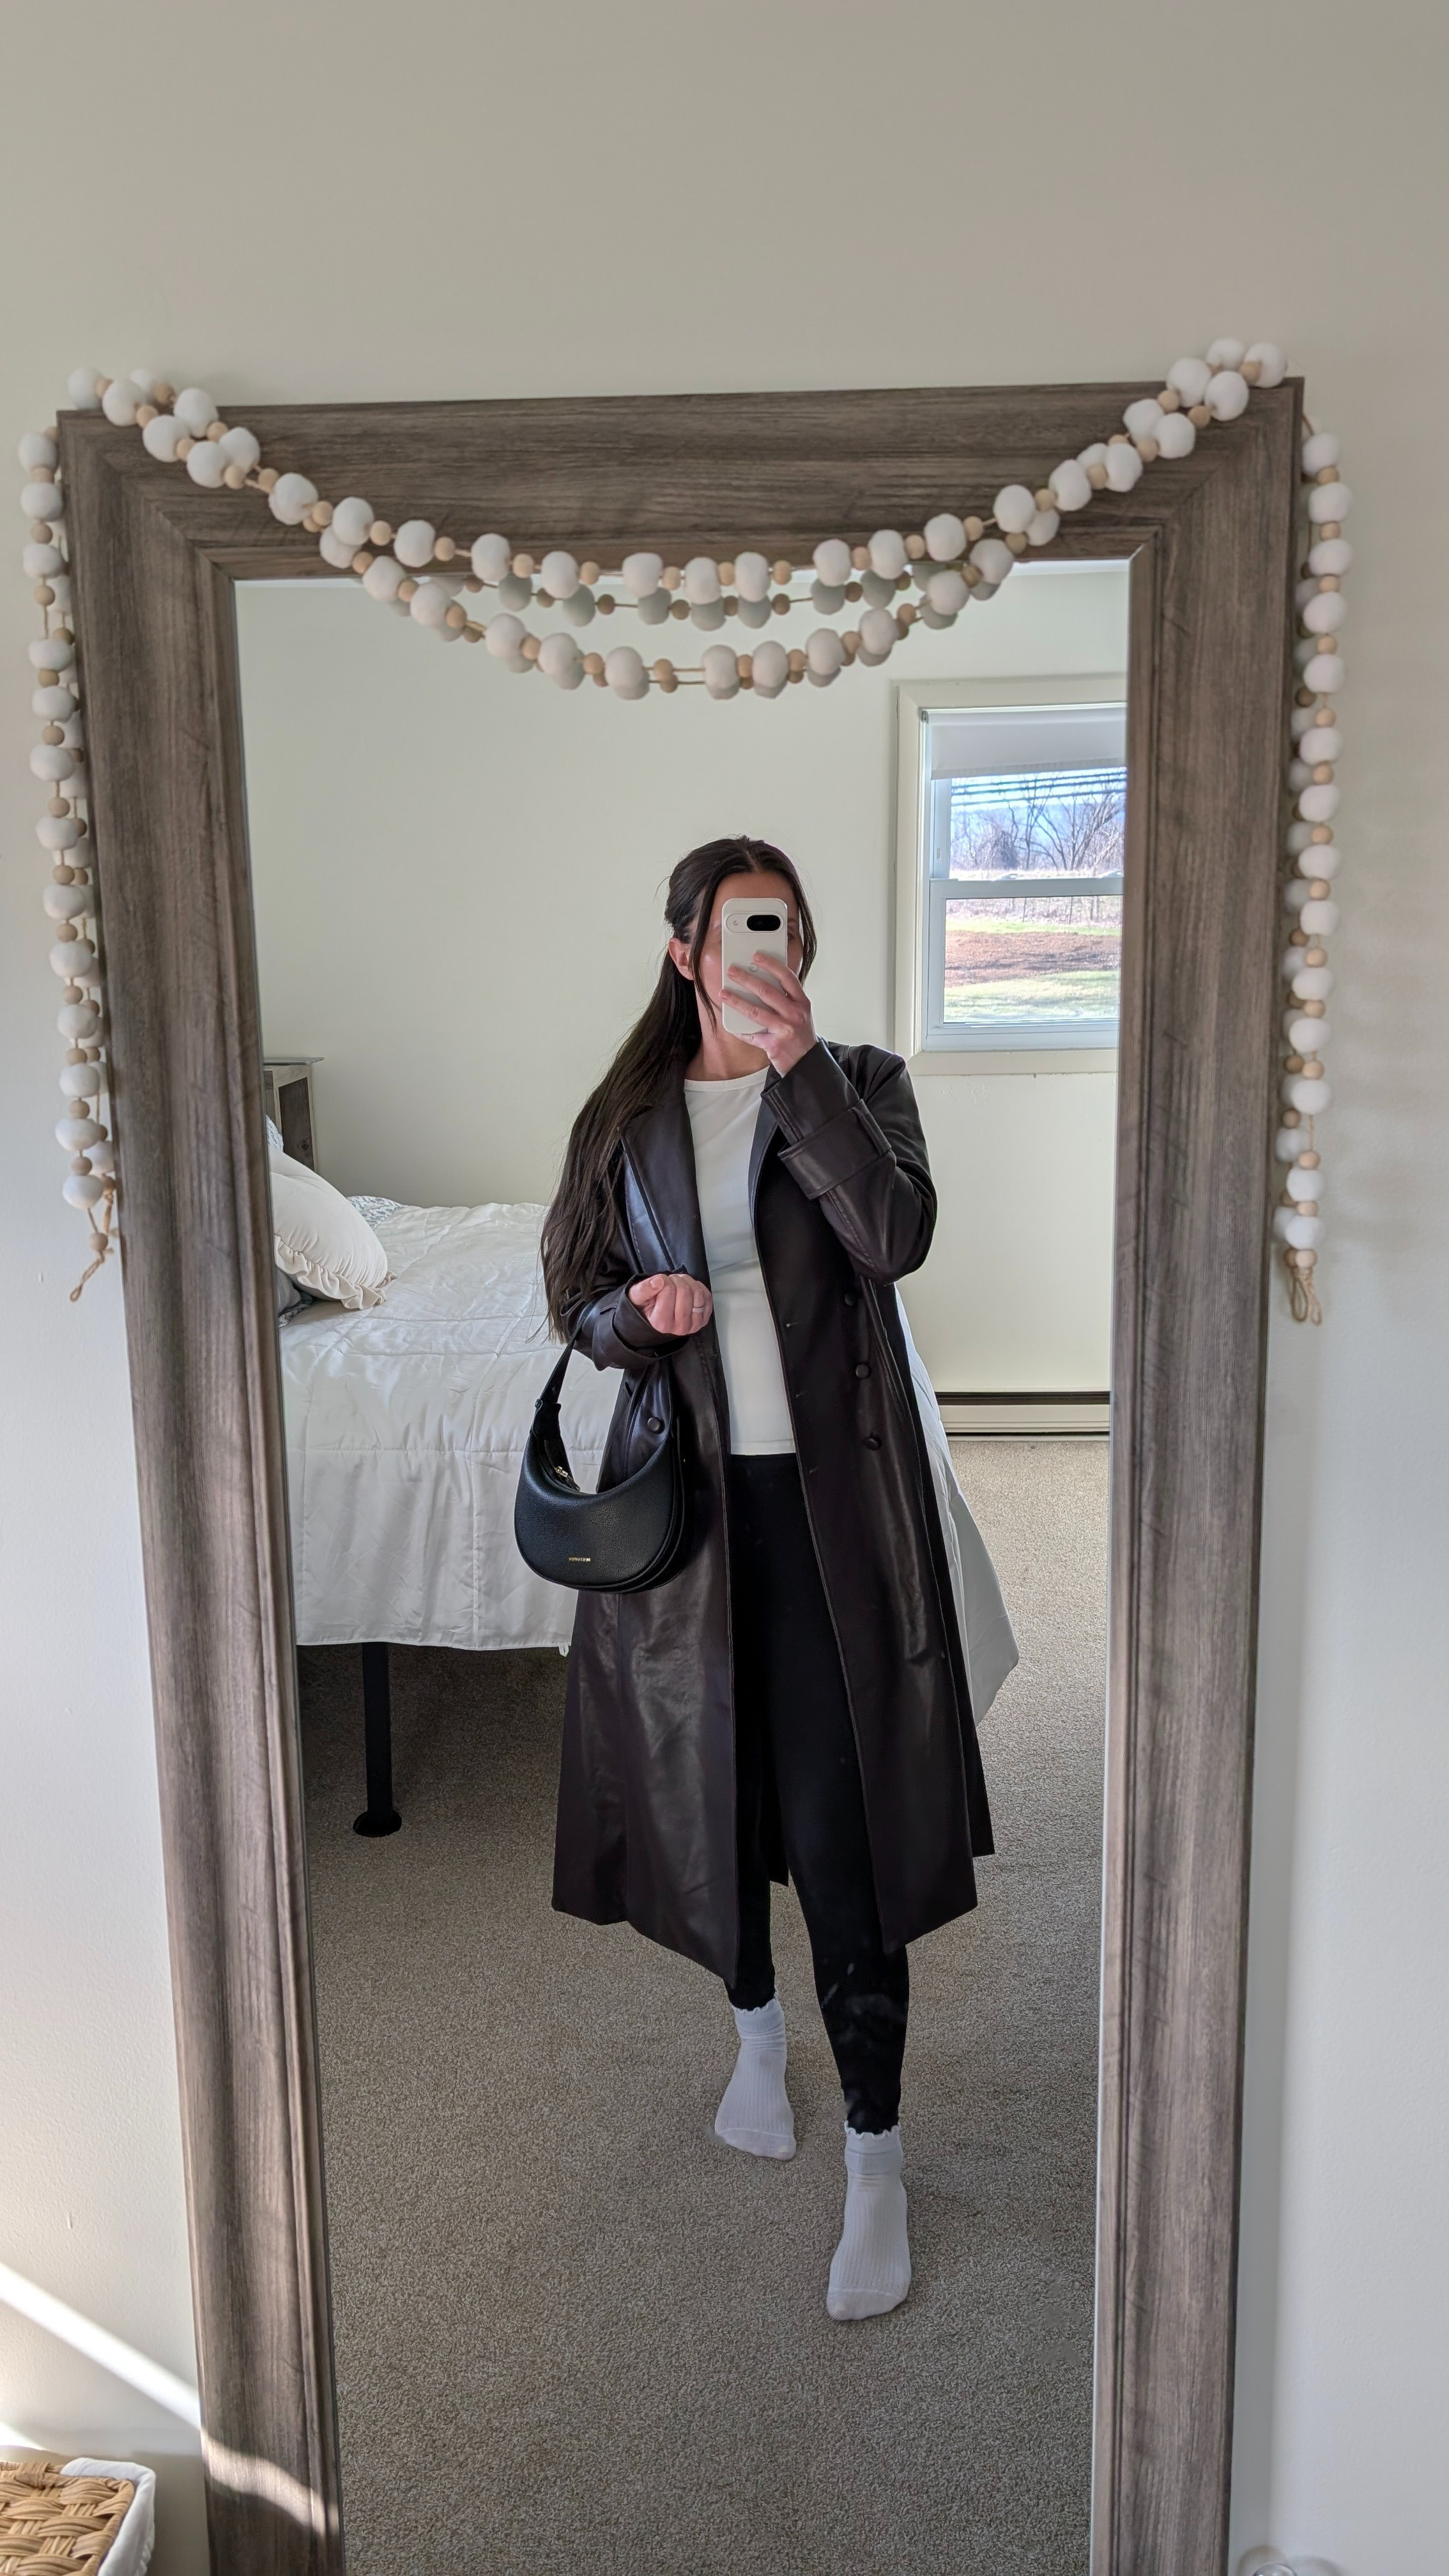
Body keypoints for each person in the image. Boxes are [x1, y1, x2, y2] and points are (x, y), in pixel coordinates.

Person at [541, 834, 994, 2320]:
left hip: (832, 1522)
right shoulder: (624, 1119)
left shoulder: (859, 1084)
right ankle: (753, 2041)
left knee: (845, 1834)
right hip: (689, 1526)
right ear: (685, 952)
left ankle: (877, 2154)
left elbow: (894, 1238)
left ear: (802, 949)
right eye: (740, 931)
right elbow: (571, 1295)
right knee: (711, 1805)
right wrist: (637, 1317)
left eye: (784, 929)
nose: (763, 954)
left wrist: (800, 1077)